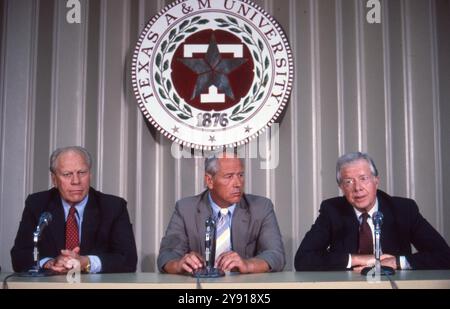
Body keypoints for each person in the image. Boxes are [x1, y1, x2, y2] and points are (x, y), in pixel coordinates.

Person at [295, 152, 450, 272]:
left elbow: (444, 256)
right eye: (349, 181)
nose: (357, 188)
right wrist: (359, 259)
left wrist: (395, 262)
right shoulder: (332, 211)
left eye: (363, 178)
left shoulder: (403, 209)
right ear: (341, 187)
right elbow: (303, 259)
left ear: (376, 181)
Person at [11, 146, 137, 274]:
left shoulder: (113, 207)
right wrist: (50, 263)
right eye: (67, 174)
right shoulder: (37, 204)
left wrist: (86, 262)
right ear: (54, 179)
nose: (76, 181)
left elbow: (128, 260)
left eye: (82, 173)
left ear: (90, 174)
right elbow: (19, 256)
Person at [157, 155, 285, 274]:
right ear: (209, 180)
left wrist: (248, 265)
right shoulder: (186, 209)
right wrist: (179, 264)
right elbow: (166, 256)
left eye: (240, 175)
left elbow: (276, 255)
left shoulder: (261, 208)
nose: (238, 184)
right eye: (229, 176)